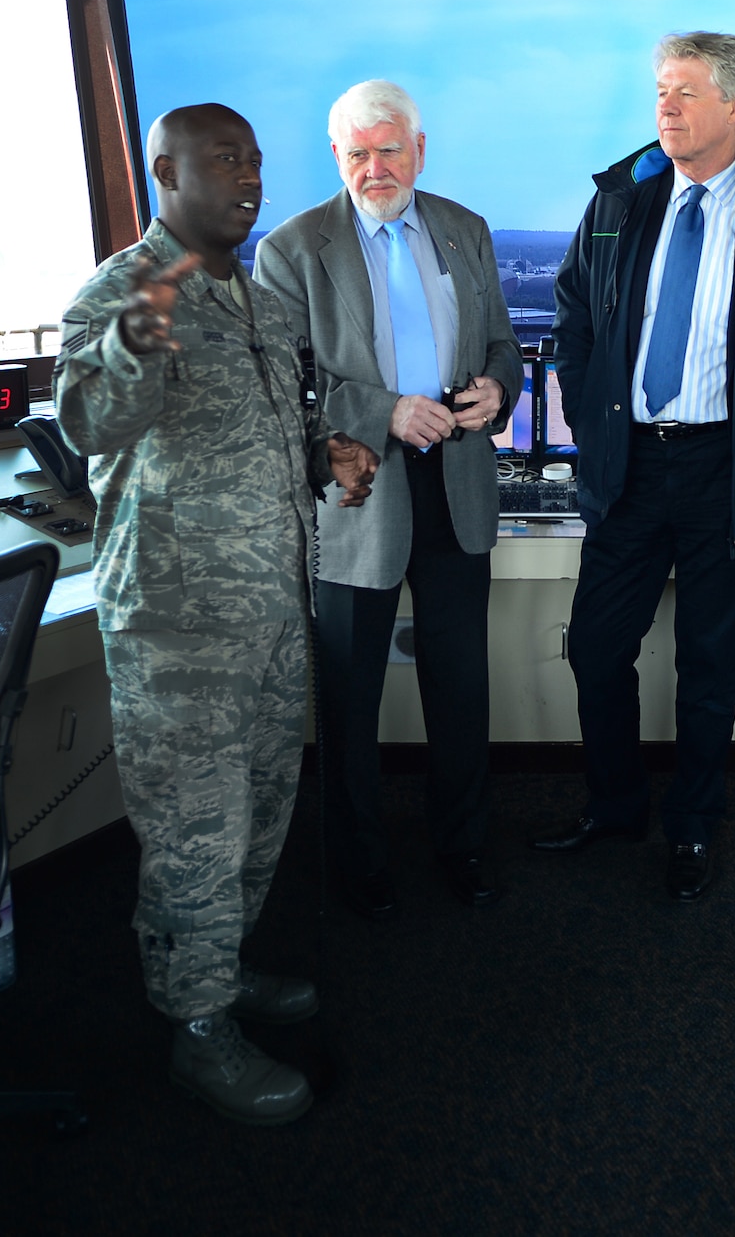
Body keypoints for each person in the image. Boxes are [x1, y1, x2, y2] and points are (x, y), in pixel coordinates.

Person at [57, 103, 379, 1125]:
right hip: (176, 624)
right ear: (165, 171)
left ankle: (220, 967)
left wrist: (323, 454)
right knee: (197, 829)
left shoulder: (264, 300)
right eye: (222, 160)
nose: (247, 176)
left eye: (252, 159)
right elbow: (87, 425)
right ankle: (195, 1027)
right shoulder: (121, 292)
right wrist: (134, 340)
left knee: (260, 814)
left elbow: (277, 425)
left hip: (274, 609)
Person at [532, 32, 735, 901]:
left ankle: (693, 826)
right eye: (661, 91)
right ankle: (615, 806)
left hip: (725, 469)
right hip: (629, 466)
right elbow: (576, 316)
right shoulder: (621, 198)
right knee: (595, 649)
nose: (665, 107)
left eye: (686, 93)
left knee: (708, 664)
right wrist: (592, 426)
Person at [255, 80, 523, 918]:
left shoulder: (464, 228)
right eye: (358, 154)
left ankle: (464, 844)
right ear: (336, 158)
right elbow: (287, 386)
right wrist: (384, 411)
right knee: (348, 696)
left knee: (460, 688)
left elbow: (504, 344)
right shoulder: (293, 250)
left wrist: (497, 392)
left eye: (390, 149)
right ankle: (358, 862)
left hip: (458, 485)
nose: (376, 168)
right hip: (356, 498)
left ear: (420, 148)